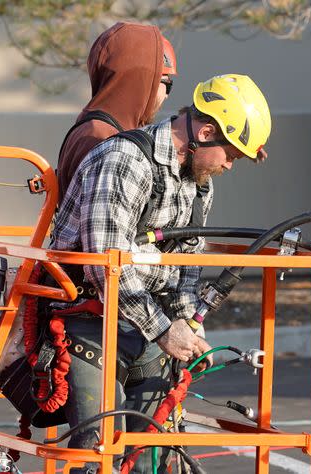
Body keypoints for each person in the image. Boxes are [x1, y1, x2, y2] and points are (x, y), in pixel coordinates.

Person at [48, 74, 271, 473]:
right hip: (84, 318)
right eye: (231, 155)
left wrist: (187, 322)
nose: (229, 166)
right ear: (204, 132)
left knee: (154, 455)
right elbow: (105, 262)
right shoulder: (124, 160)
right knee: (100, 454)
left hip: (143, 323)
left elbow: (185, 263)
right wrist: (165, 330)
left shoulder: (199, 184)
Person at [57, 22, 179, 202]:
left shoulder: (103, 128)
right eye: (167, 84)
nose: (167, 96)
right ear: (141, 81)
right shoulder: (100, 136)